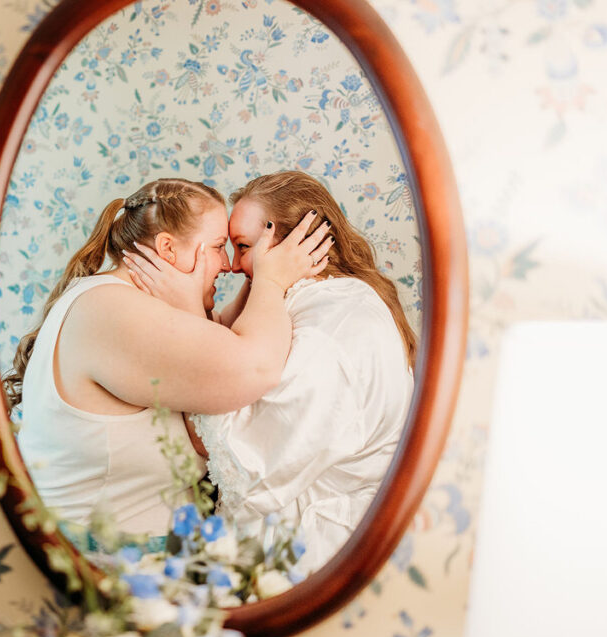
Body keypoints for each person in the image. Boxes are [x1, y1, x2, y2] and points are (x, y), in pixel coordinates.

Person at [4, 177, 331, 542]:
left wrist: (260, 272)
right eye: (219, 247)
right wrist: (270, 282)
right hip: (103, 567)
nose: (226, 265)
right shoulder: (111, 311)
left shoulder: (122, 305)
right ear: (168, 249)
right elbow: (255, 367)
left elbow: (217, 341)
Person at [124, 171, 416, 573]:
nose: (231, 265)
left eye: (242, 247)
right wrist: (260, 282)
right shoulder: (307, 300)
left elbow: (241, 462)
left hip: (316, 559)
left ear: (294, 241)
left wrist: (187, 312)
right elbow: (235, 352)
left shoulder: (334, 330)